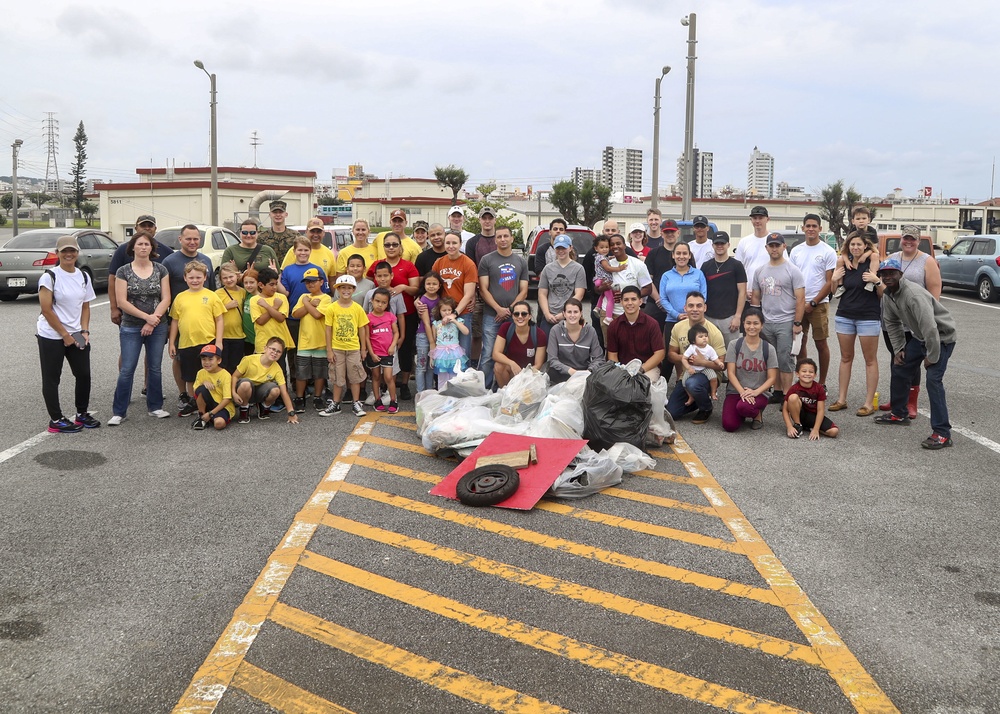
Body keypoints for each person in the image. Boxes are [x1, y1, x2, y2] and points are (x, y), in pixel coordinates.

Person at [874, 259, 957, 450]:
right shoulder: (888, 294)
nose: (888, 277)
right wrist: (898, 349)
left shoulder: (913, 295)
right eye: (884, 273)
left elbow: (931, 329)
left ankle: (943, 433)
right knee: (900, 367)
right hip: (920, 337)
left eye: (892, 273)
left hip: (941, 338)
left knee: (933, 381)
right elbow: (892, 323)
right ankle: (899, 413)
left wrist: (932, 356)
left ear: (901, 274)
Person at [36, 235, 99, 433]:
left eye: (72, 250)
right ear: (58, 253)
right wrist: (64, 335)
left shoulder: (83, 276)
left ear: (77, 252)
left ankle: (82, 414)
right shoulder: (50, 276)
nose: (69, 254)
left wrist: (85, 330)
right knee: (52, 377)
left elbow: (86, 306)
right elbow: (46, 309)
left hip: (76, 332)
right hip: (52, 334)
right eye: (64, 251)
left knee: (84, 374)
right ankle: (56, 419)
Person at [880, 223, 943, 417]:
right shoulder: (892, 258)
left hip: (916, 320)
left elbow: (934, 290)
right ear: (901, 239)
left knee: (912, 361)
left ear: (918, 241)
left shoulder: (927, 261)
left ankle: (911, 402)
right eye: (906, 238)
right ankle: (897, 398)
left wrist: (928, 316)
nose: (908, 242)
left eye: (913, 239)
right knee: (896, 357)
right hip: (894, 319)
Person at [109, 232, 172, 425]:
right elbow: (121, 301)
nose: (143, 247)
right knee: (127, 368)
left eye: (147, 244)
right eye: (140, 244)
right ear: (132, 248)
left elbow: (166, 298)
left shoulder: (161, 269)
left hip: (158, 326)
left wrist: (154, 320)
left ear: (152, 248)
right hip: (130, 326)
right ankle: (119, 411)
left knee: (155, 367)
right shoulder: (123, 271)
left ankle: (155, 406)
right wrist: (146, 318)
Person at [162, 224, 217, 411]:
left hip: (204, 320)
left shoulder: (206, 260)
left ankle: (205, 396)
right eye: (188, 239)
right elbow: (164, 292)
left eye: (196, 239)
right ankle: (183, 394)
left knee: (207, 359)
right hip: (179, 318)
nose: (192, 242)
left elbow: (212, 290)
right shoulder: (169, 262)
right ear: (180, 240)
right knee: (180, 359)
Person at [828, 231, 882, 416]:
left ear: (865, 245)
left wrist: (877, 281)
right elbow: (835, 292)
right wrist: (833, 280)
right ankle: (842, 399)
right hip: (845, 315)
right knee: (845, 357)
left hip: (868, 316)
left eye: (859, 244)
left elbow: (883, 294)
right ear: (848, 247)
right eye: (852, 245)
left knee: (870, 360)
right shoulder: (844, 263)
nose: (855, 248)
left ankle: (868, 403)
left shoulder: (873, 262)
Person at [751, 233, 805, 404]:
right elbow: (756, 298)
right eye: (771, 245)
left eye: (777, 245)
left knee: (785, 358)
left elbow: (801, 299)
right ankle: (778, 391)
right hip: (766, 322)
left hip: (786, 321)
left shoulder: (793, 271)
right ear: (766, 248)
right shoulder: (760, 271)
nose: (774, 248)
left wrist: (797, 322)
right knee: (771, 358)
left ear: (784, 247)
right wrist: (756, 321)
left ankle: (789, 396)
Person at [168, 261, 225, 417]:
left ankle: (213, 401)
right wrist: (172, 342)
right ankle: (195, 401)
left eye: (198, 277)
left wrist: (219, 341)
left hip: (208, 342)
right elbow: (174, 321)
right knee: (191, 376)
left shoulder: (211, 296)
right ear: (185, 278)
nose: (195, 280)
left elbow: (219, 319)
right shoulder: (180, 298)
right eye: (191, 277)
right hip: (187, 343)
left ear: (205, 277)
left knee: (210, 372)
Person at [368, 233, 419, 400]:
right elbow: (369, 282)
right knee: (380, 352)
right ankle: (382, 386)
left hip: (404, 314)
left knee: (404, 351)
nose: (391, 247)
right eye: (388, 245)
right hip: (378, 320)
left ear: (400, 246)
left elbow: (416, 289)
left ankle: (403, 384)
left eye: (394, 244)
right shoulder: (377, 265)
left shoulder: (408, 265)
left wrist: (403, 287)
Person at [477, 225, 528, 389]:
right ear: (495, 239)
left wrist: (510, 310)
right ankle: (484, 390)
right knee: (488, 354)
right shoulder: (487, 260)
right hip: (492, 315)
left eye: (506, 236)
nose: (503, 239)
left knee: (512, 354)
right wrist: (498, 309)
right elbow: (483, 289)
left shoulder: (521, 261)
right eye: (499, 237)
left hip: (515, 317)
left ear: (512, 238)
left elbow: (524, 290)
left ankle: (508, 388)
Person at [789, 213, 837, 384]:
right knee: (799, 344)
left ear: (820, 229)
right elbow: (792, 278)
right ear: (803, 228)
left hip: (819, 305)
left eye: (814, 226)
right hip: (799, 304)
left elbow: (830, 281)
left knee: (821, 344)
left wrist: (814, 302)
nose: (810, 229)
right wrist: (799, 303)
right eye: (807, 226)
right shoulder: (796, 251)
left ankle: (821, 383)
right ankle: (804, 380)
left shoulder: (828, 251)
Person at [665, 292, 726, 423]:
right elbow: (671, 355)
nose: (695, 309)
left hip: (710, 375)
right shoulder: (678, 327)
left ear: (705, 308)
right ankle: (699, 399)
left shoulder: (714, 332)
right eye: (691, 306)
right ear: (685, 308)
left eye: (699, 306)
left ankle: (706, 408)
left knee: (693, 384)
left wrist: (702, 362)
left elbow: (721, 364)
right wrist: (686, 359)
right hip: (688, 372)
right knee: (672, 412)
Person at [108, 215, 172, 327]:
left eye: (150, 226)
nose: (147, 228)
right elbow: (112, 279)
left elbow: (169, 288)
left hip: (157, 318)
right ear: (136, 227)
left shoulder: (167, 252)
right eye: (143, 225)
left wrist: (157, 317)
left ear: (155, 228)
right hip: (130, 318)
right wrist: (114, 308)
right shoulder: (122, 250)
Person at [320, 275, 370, 418]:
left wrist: (363, 348)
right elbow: (328, 329)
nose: (346, 291)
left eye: (349, 288)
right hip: (337, 348)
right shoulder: (332, 308)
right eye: (343, 287)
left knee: (354, 376)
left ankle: (356, 402)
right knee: (337, 376)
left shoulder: (357, 308)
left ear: (354, 289)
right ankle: (335, 403)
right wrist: (329, 350)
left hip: (353, 348)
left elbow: (362, 329)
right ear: (338, 289)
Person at [722, 309, 778, 432]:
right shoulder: (734, 344)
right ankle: (740, 412)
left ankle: (757, 414)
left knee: (745, 407)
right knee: (729, 425)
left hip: (759, 392)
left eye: (756, 323)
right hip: (736, 391)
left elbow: (772, 378)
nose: (752, 327)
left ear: (762, 325)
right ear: (743, 324)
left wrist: (755, 392)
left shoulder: (769, 348)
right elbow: (730, 373)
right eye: (748, 323)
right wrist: (742, 392)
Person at [278, 236, 326, 380]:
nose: (303, 253)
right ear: (294, 251)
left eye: (306, 250)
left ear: (310, 251)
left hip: (314, 319)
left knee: (316, 353)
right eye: (300, 250)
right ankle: (296, 382)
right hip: (294, 317)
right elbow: (285, 292)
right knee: (295, 353)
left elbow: (324, 293)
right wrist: (277, 276)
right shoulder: (288, 270)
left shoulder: (317, 270)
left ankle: (316, 384)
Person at [290, 268, 333, 413]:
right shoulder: (304, 296)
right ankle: (299, 398)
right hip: (304, 341)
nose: (310, 284)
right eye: (307, 282)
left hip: (320, 341)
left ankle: (317, 396)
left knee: (320, 373)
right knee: (301, 373)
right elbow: (295, 313)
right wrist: (308, 303)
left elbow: (317, 314)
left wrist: (306, 303)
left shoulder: (326, 298)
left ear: (321, 281)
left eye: (313, 281)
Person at [596, 234, 653, 340]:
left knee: (629, 345)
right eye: (612, 244)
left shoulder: (637, 264)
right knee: (609, 347)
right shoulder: (606, 263)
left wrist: (626, 297)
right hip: (608, 314)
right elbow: (597, 289)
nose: (615, 247)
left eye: (618, 243)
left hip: (629, 313)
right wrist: (601, 288)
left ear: (625, 245)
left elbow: (648, 288)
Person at [432, 231, 478, 358]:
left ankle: (463, 377)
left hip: (462, 313)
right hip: (443, 313)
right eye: (448, 243)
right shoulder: (439, 263)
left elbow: (469, 294)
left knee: (463, 352)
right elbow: (432, 285)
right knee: (444, 351)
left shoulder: (468, 264)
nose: (451, 246)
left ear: (460, 244)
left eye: (454, 243)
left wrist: (455, 313)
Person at [232, 337, 298, 424]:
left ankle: (264, 406)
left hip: (260, 392)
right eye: (273, 349)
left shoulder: (277, 369)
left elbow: (284, 392)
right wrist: (233, 393)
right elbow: (234, 376)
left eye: (278, 352)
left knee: (275, 390)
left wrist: (291, 413)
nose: (275, 353)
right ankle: (244, 408)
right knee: (245, 384)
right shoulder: (248, 360)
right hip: (245, 390)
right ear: (265, 348)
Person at [606, 285, 664, 380]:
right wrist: (620, 372)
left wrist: (640, 370)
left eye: (633, 299)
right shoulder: (614, 326)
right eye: (626, 300)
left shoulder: (652, 324)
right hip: (622, 368)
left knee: (641, 384)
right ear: (621, 302)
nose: (630, 303)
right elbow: (612, 355)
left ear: (640, 301)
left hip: (647, 368)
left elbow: (659, 354)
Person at [658, 242, 707, 349]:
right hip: (672, 321)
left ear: (689, 255)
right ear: (673, 255)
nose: (681, 256)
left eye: (685, 253)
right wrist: (677, 315)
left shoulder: (698, 274)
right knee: (670, 358)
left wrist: (690, 313)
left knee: (696, 354)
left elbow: (703, 297)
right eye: (678, 253)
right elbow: (663, 299)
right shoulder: (666, 276)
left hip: (694, 322)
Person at [703, 231, 747, 347]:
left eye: (722, 243)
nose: (719, 246)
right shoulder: (706, 266)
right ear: (712, 245)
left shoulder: (737, 265)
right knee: (710, 352)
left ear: (728, 245)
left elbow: (742, 292)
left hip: (729, 318)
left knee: (732, 353)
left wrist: (737, 317)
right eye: (717, 243)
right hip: (709, 317)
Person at [546, 298, 604, 384]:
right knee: (551, 372)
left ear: (581, 313)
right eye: (569, 312)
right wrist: (571, 371)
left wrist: (589, 371)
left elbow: (598, 358)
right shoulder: (555, 330)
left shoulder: (590, 331)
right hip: (564, 372)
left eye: (576, 312)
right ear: (564, 314)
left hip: (584, 373)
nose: (572, 315)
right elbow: (552, 360)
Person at [539, 234, 587, 335]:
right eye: (558, 248)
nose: (561, 251)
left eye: (564, 248)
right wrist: (547, 314)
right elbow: (542, 294)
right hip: (550, 316)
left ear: (570, 248)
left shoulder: (578, 269)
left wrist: (564, 314)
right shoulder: (547, 269)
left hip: (570, 317)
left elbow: (579, 294)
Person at [492, 300, 546, 387]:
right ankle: (505, 393)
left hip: (529, 374)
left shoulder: (539, 334)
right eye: (516, 314)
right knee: (498, 366)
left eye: (524, 314)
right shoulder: (506, 328)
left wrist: (524, 374)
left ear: (530, 316)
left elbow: (538, 364)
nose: (520, 317)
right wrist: (512, 363)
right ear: (512, 316)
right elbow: (496, 354)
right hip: (511, 370)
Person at [782, 358, 839, 440]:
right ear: (797, 374)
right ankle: (798, 425)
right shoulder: (794, 388)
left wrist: (816, 429)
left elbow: (820, 410)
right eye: (804, 371)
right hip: (799, 414)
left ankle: (809, 428)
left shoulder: (819, 388)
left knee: (834, 431)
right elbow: (785, 410)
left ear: (815, 375)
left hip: (813, 416)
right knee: (792, 397)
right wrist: (789, 426)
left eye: (811, 372)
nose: (807, 374)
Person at [251, 267, 295, 364]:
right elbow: (260, 321)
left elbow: (280, 318)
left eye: (276, 284)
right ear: (261, 285)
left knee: (280, 370)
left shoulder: (281, 297)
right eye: (271, 284)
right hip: (263, 343)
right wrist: (275, 307)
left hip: (280, 342)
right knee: (263, 370)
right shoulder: (254, 300)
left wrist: (267, 306)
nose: (275, 287)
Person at [368, 287, 400, 413]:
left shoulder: (390, 316)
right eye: (377, 301)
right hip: (375, 353)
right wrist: (371, 353)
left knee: (388, 377)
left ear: (387, 304)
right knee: (375, 376)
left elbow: (396, 333)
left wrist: (393, 346)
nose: (380, 305)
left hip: (388, 352)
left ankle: (393, 400)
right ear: (372, 301)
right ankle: (377, 400)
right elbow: (366, 337)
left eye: (384, 302)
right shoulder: (368, 318)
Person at [190, 344, 235, 431]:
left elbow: (227, 399)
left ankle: (209, 417)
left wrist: (211, 413)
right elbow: (195, 391)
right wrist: (203, 382)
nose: (206, 362)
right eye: (203, 359)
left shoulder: (225, 375)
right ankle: (202, 416)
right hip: (208, 403)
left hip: (222, 405)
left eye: (210, 359)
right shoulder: (201, 373)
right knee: (201, 389)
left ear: (219, 360)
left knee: (219, 424)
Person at [735, 205, 772, 304]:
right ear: (751, 220)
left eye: (761, 218)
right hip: (748, 296)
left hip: (769, 297)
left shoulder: (774, 242)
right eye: (755, 218)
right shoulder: (744, 242)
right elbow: (738, 270)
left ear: (767, 219)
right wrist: (744, 291)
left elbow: (782, 268)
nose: (757, 221)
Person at [430, 297, 470, 388]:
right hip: (441, 354)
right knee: (442, 378)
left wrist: (455, 321)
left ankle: (454, 396)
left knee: (455, 377)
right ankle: (442, 395)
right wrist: (432, 357)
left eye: (449, 310)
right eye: (444, 310)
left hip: (455, 352)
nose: (447, 312)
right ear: (439, 311)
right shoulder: (436, 324)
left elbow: (466, 332)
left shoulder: (458, 321)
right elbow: (434, 341)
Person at [215, 264, 246, 375]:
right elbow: (213, 313)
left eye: (231, 276)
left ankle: (233, 388)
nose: (228, 280)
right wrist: (226, 307)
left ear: (237, 276)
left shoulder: (243, 291)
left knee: (236, 365)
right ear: (221, 280)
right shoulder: (217, 294)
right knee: (222, 365)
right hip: (222, 336)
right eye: (225, 278)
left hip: (238, 335)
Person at [415, 271, 442, 392]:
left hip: (436, 336)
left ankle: (429, 393)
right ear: (424, 285)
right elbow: (426, 323)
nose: (431, 286)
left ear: (439, 285)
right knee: (422, 366)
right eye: (428, 283)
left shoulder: (440, 300)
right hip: (423, 336)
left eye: (434, 284)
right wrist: (432, 342)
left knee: (431, 366)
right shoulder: (423, 300)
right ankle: (421, 394)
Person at [592, 235, 625, 326]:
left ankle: (597, 307)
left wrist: (610, 258)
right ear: (596, 248)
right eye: (601, 247)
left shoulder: (598, 256)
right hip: (604, 280)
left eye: (606, 247)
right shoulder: (602, 258)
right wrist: (619, 268)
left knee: (603, 295)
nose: (605, 249)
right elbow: (608, 268)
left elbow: (605, 260)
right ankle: (608, 317)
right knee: (610, 299)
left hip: (598, 280)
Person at [681, 324, 719, 403]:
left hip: (705, 367)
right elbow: (684, 358)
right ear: (693, 340)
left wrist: (719, 362)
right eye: (701, 337)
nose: (704, 338)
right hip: (693, 368)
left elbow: (714, 358)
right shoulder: (692, 347)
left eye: (706, 336)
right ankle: (690, 396)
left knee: (714, 377)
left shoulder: (709, 348)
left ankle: (713, 392)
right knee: (684, 382)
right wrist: (688, 368)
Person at [240, 269, 259, 357]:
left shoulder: (260, 297)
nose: (248, 285)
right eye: (246, 283)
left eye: (252, 282)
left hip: (257, 339)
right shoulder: (247, 294)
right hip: (247, 338)